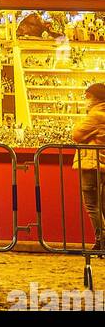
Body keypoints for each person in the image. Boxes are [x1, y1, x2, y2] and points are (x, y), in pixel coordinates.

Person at [72, 82, 105, 251]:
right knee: (103, 205)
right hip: (101, 165)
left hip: (92, 164)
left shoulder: (95, 115)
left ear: (95, 98)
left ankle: (102, 240)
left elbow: (77, 134)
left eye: (87, 97)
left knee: (92, 205)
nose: (86, 100)